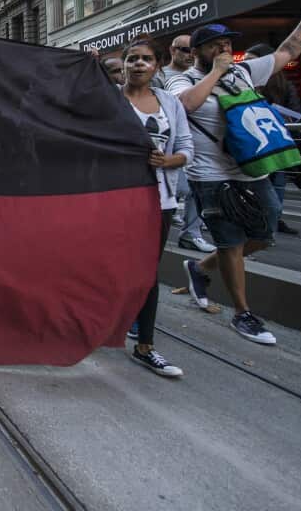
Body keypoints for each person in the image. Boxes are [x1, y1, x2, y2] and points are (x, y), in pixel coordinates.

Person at [166, 0, 301, 345]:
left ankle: (200, 267)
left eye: (227, 43)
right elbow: (185, 106)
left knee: (265, 233)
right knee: (230, 240)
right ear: (197, 52)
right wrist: (216, 74)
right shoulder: (182, 79)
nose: (224, 49)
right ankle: (243, 313)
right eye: (215, 45)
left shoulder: (243, 71)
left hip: (251, 169)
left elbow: (288, 51)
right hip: (210, 175)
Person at [121, 38, 190, 377]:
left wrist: (169, 160)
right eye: (132, 58)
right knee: (114, 267)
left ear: (157, 66)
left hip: (160, 200)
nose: (138, 64)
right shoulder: (109, 101)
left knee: (148, 271)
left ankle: (145, 345)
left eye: (146, 59)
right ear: (123, 65)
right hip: (116, 200)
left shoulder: (170, 103)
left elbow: (187, 148)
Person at [156, 34, 216, 253]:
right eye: (184, 50)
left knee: (191, 189)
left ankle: (191, 231)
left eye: (193, 50)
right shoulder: (161, 76)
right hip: (170, 146)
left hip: (196, 144)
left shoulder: (202, 75)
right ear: (172, 50)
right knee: (180, 189)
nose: (190, 55)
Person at [243, 43, 301, 236]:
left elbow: (295, 112)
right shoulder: (242, 83)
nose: (246, 65)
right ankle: (262, 220)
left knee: (278, 182)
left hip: (276, 142)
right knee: (258, 184)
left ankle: (273, 217)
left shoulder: (283, 85)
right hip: (253, 143)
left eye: (251, 61)